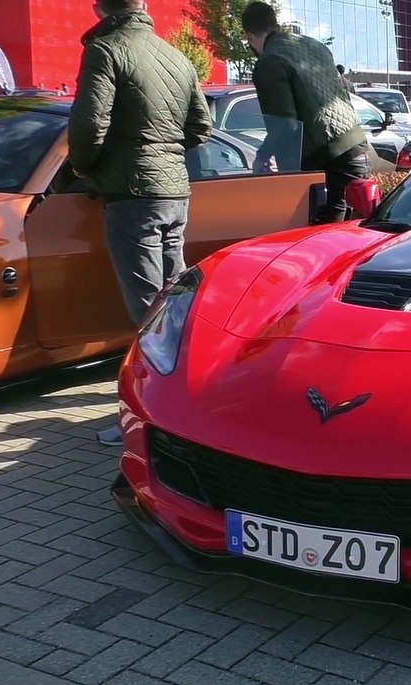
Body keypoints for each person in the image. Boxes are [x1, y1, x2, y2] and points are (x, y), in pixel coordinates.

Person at [68, 0, 213, 446]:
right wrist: (165, 151)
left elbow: (88, 125)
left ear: (100, 7)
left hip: (132, 193)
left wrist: (83, 167)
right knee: (174, 309)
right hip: (174, 191)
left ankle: (151, 420)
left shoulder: (107, 50)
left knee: (150, 315)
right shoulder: (176, 57)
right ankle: (192, 406)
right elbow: (201, 125)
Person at [242, 1, 370, 223]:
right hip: (355, 142)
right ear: (274, 24)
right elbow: (344, 91)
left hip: (323, 157)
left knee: (326, 232)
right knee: (358, 226)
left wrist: (262, 156)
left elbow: (284, 124)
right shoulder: (314, 45)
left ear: (249, 36)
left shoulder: (270, 61)